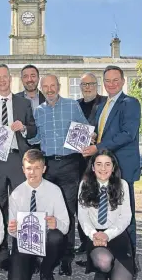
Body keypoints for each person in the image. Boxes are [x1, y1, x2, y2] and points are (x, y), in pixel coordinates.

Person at [0, 64, 37, 269]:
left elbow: (33, 128)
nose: (2, 80)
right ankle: (1, 253)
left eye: (5, 77)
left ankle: (25, 252)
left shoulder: (23, 103)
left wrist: (24, 128)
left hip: (18, 160)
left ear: (10, 79)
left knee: (23, 207)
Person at [31, 74, 89, 276]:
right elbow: (36, 137)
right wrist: (24, 132)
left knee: (68, 213)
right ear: (42, 88)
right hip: (48, 166)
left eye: (52, 85)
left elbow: (84, 128)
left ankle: (66, 258)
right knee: (46, 211)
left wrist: (90, 137)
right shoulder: (38, 111)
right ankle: (48, 256)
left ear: (59, 86)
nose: (49, 89)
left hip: (69, 164)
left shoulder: (72, 105)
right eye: (45, 86)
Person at [82, 65, 141, 264]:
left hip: (121, 167)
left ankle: (129, 259)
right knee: (102, 211)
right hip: (102, 167)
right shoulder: (101, 106)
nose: (112, 84)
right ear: (103, 82)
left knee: (126, 214)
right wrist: (91, 136)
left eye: (116, 80)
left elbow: (127, 134)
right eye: (108, 80)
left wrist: (98, 147)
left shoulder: (130, 103)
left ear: (123, 81)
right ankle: (103, 254)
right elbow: (99, 131)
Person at [8, 149, 70, 280]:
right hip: (24, 241)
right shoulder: (16, 194)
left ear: (44, 169)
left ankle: (46, 269)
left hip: (47, 238)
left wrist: (56, 223)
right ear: (23, 169)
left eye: (37, 168)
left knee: (56, 237)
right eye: (29, 168)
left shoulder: (55, 191)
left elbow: (65, 226)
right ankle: (30, 263)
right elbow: (12, 231)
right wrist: (12, 229)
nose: (32, 172)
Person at [78, 149, 134, 280]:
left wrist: (108, 234)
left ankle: (104, 274)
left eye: (107, 164)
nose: (103, 168)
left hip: (117, 233)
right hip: (95, 236)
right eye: (99, 164)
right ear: (92, 167)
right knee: (103, 261)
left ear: (113, 167)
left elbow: (125, 217)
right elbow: (83, 217)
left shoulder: (122, 185)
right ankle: (102, 271)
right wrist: (93, 234)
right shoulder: (84, 185)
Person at [76, 73, 107, 256]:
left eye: (91, 84)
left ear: (97, 85)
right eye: (83, 84)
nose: (87, 87)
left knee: (99, 201)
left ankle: (101, 240)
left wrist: (96, 137)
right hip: (79, 160)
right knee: (82, 201)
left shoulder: (104, 103)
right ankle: (86, 241)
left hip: (99, 159)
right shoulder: (76, 105)